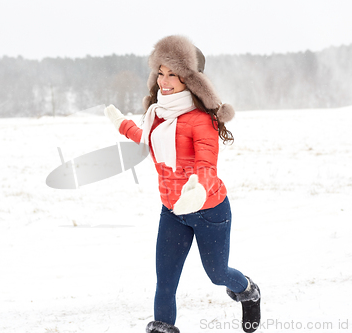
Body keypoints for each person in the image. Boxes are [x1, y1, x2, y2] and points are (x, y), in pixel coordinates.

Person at [104, 35, 260, 333]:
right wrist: (122, 123)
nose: (164, 80)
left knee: (217, 273)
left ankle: (248, 291)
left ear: (189, 79)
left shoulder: (201, 121)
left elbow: (206, 165)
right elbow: (146, 137)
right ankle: (163, 327)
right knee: (165, 280)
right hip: (173, 211)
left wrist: (198, 189)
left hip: (209, 210)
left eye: (172, 73)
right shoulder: (158, 115)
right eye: (160, 72)